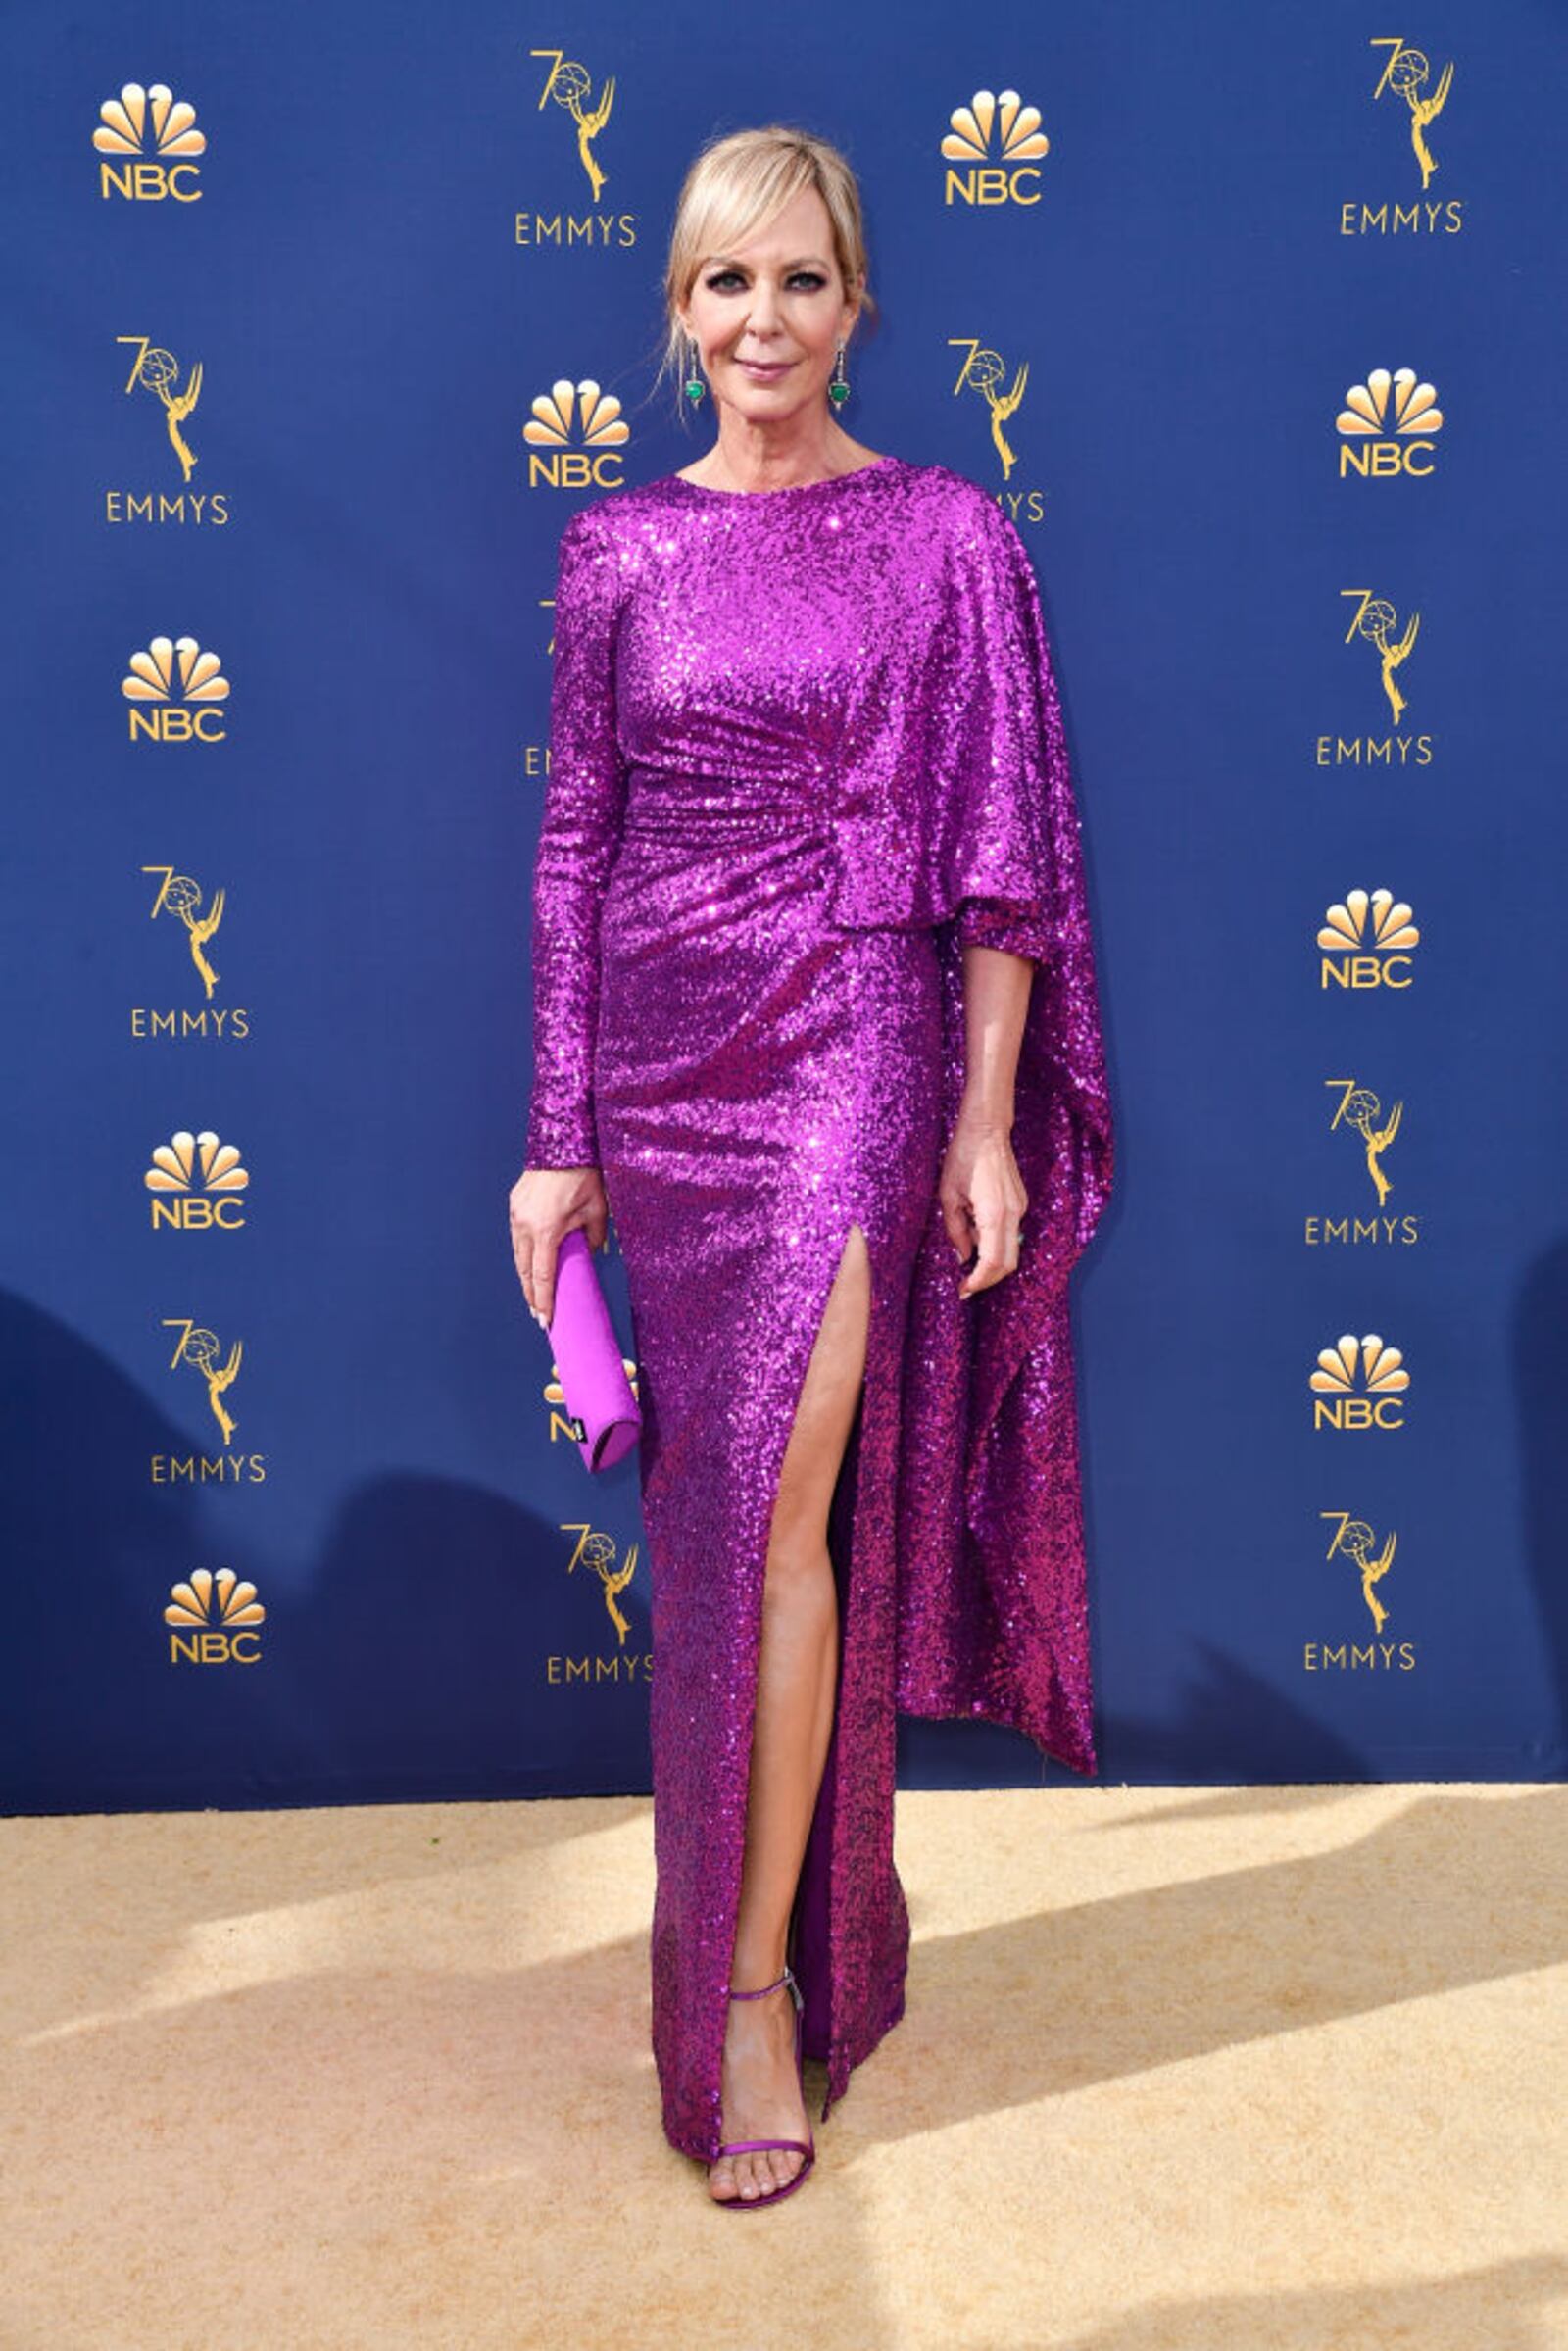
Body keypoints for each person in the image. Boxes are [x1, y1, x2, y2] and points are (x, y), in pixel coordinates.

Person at [509, 123, 1113, 2210]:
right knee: (715, 1534)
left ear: (860, 301)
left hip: (851, 1045)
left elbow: (1006, 849)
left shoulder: (945, 532)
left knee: (775, 1507)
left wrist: (974, 1119)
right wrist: (554, 1141)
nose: (758, 322)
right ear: (673, 314)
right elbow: (575, 845)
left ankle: (752, 1988)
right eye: (718, 286)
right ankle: (807, 1924)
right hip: (660, 1057)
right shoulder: (613, 551)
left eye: (797, 281)